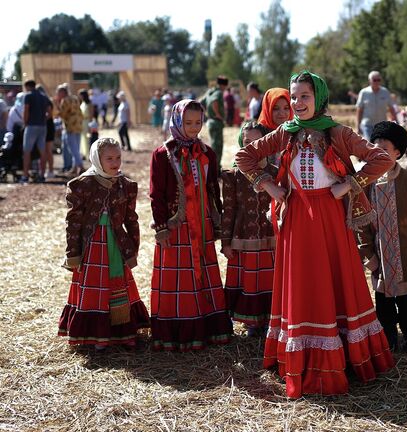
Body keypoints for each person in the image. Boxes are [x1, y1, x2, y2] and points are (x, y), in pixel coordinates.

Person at [235, 70, 395, 398]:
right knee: (303, 283)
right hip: (296, 217)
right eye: (294, 97)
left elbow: (381, 159)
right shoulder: (285, 133)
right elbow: (245, 157)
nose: (297, 103)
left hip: (330, 218)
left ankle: (343, 358)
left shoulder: (337, 132)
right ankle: (302, 358)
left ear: (318, 98)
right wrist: (269, 186)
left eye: (304, 96)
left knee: (333, 279)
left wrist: (349, 185)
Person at [148, 99, 233, 351]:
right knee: (179, 277)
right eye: (188, 123)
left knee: (204, 272)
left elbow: (211, 189)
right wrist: (161, 227)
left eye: (198, 122)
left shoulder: (207, 152)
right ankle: (178, 332)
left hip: (203, 223)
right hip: (177, 226)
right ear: (176, 121)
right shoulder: (163, 154)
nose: (194, 128)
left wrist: (218, 220)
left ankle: (208, 328)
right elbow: (157, 194)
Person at [59, 138, 149, 350]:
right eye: (109, 158)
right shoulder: (82, 185)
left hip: (116, 244)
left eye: (118, 157)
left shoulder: (125, 186)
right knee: (95, 288)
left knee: (117, 284)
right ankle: (97, 336)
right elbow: (73, 223)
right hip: (92, 247)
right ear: (97, 159)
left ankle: (121, 332)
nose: (115, 162)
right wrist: (73, 253)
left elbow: (131, 220)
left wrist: (133, 248)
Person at [221, 88, 293, 337]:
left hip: (271, 235)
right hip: (245, 236)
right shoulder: (233, 176)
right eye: (247, 143)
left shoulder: (276, 172)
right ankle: (251, 322)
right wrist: (226, 241)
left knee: (270, 278)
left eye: (257, 143)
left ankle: (271, 319)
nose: (252, 147)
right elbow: (228, 208)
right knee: (248, 279)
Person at [357, 121, 407, 353]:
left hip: (406, 255)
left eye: (384, 149)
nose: (377, 154)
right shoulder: (365, 183)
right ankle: (388, 338)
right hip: (380, 257)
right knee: (383, 302)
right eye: (374, 148)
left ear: (397, 153)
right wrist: (367, 252)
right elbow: (361, 221)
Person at [21, 80, 50, 183]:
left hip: (31, 125)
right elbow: (49, 112)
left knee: (27, 151)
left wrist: (25, 123)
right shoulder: (43, 97)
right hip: (42, 126)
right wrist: (43, 120)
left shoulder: (28, 96)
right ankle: (42, 175)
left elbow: (26, 110)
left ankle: (25, 175)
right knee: (42, 151)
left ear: (28, 86)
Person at [356, 71, 397, 140]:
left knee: (380, 146)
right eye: (374, 80)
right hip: (367, 125)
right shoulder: (364, 93)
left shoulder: (385, 92)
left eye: (379, 80)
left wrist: (395, 122)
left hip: (381, 126)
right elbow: (359, 110)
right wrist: (358, 126)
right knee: (370, 144)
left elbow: (391, 108)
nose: (377, 82)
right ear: (369, 81)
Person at [205, 76, 227, 169]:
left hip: (210, 121)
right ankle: (215, 169)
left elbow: (201, 102)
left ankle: (214, 167)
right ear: (224, 85)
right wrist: (218, 114)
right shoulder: (218, 92)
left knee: (213, 145)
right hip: (216, 122)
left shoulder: (210, 92)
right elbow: (215, 101)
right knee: (217, 148)